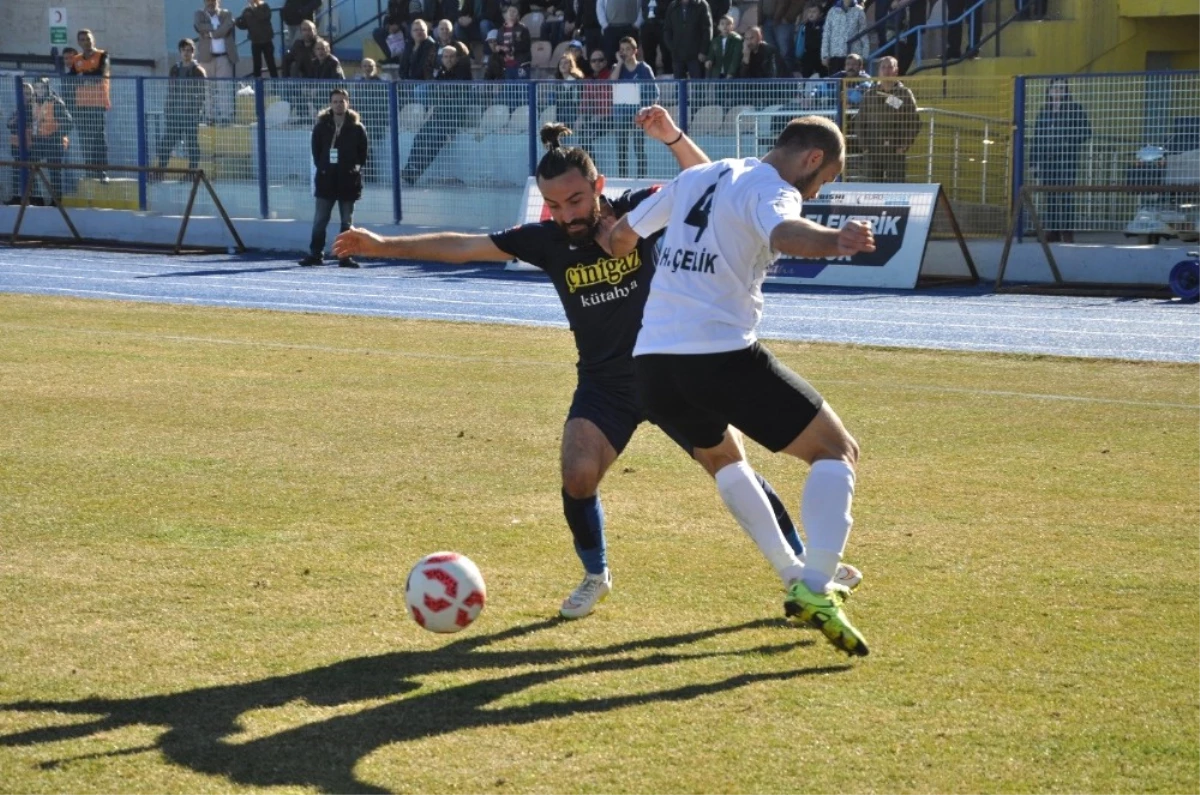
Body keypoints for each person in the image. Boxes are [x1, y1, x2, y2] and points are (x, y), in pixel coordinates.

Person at [332, 108, 860, 619]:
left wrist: (672, 142)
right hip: (611, 383)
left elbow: (709, 185)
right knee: (578, 473)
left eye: (576, 200)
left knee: (728, 464)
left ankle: (807, 567)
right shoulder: (546, 241)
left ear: (598, 185)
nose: (566, 214)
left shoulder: (635, 207)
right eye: (554, 205)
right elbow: (467, 246)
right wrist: (385, 245)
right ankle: (596, 574)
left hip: (674, 360)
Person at [595, 114, 875, 656]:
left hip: (652, 363)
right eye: (826, 179)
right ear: (812, 159)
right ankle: (817, 586)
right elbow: (786, 233)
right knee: (836, 450)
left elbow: (621, 239)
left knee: (726, 459)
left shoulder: (704, 174)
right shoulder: (772, 189)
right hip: (717, 354)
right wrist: (835, 239)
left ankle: (793, 574)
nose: (820, 190)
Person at [299, 87, 368, 268]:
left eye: (342, 101)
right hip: (326, 180)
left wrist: (354, 169)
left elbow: (363, 154)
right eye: (335, 101)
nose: (339, 104)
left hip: (348, 181)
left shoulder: (357, 127)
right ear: (330, 104)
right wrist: (324, 168)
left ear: (348, 103)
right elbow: (316, 152)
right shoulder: (321, 127)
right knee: (320, 220)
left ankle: (345, 256)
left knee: (347, 222)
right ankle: (315, 254)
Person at [1029, 77, 1091, 243]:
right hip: (1047, 160)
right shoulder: (1044, 112)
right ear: (1049, 91)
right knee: (1050, 195)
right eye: (1055, 88)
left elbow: (1086, 131)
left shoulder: (1075, 109)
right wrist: (1033, 163)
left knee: (1066, 196)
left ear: (1066, 91)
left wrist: (1068, 142)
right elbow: (1036, 138)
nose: (1058, 92)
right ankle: (1053, 230)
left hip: (1067, 159)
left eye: (1061, 89)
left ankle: (1067, 231)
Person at [400, 46, 472, 184]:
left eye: (451, 57)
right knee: (419, 137)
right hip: (439, 114)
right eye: (445, 57)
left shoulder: (462, 73)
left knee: (434, 141)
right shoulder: (441, 74)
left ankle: (413, 173)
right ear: (442, 59)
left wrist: (444, 95)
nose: (448, 59)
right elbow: (436, 94)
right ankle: (410, 170)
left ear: (456, 58)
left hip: (453, 116)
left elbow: (457, 96)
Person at [854, 55, 918, 183]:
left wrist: (903, 146)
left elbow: (914, 122)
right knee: (871, 188)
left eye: (890, 67)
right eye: (883, 67)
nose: (886, 70)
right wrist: (864, 146)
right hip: (872, 148)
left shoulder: (904, 93)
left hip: (895, 147)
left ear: (896, 70)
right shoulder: (870, 94)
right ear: (879, 71)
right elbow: (860, 122)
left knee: (895, 188)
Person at [156, 39, 208, 178]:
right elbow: (171, 91)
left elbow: (202, 94)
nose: (186, 53)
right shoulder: (175, 69)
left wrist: (196, 110)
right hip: (175, 114)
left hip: (190, 114)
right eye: (184, 50)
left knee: (191, 143)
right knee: (167, 143)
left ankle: (191, 173)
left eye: (189, 50)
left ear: (193, 52)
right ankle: (160, 171)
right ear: (180, 52)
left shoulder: (198, 71)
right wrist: (168, 109)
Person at [65, 29, 111, 183]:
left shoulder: (103, 55)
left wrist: (82, 76)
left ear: (93, 40)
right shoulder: (76, 60)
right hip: (82, 105)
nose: (86, 42)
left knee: (99, 138)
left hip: (98, 104)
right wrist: (85, 77)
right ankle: (89, 170)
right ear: (79, 42)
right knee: (85, 139)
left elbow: (100, 74)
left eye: (88, 38)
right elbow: (70, 80)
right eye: (83, 39)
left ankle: (102, 171)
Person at [609, 36, 657, 178]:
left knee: (639, 148)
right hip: (621, 115)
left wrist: (647, 111)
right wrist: (619, 63)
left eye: (628, 49)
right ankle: (622, 179)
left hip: (638, 116)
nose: (625, 52)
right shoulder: (617, 67)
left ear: (635, 51)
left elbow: (654, 92)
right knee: (621, 149)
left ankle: (641, 178)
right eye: (622, 50)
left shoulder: (644, 68)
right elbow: (612, 82)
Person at [29, 78, 73, 205]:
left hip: (54, 142)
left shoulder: (55, 102)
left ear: (47, 88)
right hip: (40, 140)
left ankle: (56, 201)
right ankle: (37, 199)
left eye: (41, 87)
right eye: (36, 87)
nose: (39, 90)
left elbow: (68, 123)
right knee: (31, 167)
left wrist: (55, 136)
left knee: (54, 172)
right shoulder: (35, 102)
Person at [194, 0, 239, 125]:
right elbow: (199, 26)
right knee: (208, 89)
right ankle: (210, 117)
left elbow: (225, 29)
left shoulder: (226, 14)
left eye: (213, 1)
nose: (210, 3)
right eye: (208, 1)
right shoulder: (199, 14)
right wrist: (218, 29)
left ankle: (226, 117)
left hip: (223, 57)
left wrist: (211, 33)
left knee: (224, 88)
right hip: (206, 58)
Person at [663, 0, 713, 80]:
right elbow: (667, 29)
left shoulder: (701, 4)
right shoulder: (673, 6)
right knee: (679, 86)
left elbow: (707, 30)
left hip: (696, 55)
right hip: (678, 55)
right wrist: (672, 48)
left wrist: (703, 51)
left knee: (697, 86)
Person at [820, 0, 865, 75]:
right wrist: (824, 55)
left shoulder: (859, 11)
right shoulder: (832, 11)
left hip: (854, 56)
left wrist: (864, 55)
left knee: (853, 84)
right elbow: (826, 34)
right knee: (836, 83)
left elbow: (863, 34)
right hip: (835, 55)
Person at [237, 0, 279, 78]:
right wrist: (237, 22)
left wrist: (255, 8)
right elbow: (244, 24)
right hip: (255, 41)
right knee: (257, 65)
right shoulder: (246, 10)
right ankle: (258, 86)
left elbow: (264, 17)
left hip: (267, 40)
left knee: (271, 63)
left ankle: (275, 85)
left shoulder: (265, 7)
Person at [496, 5, 533, 79]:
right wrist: (499, 48)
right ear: (505, 15)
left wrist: (511, 49)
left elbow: (526, 46)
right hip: (506, 67)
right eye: (510, 11)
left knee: (523, 89)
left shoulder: (523, 29)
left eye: (514, 11)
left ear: (518, 16)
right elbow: (499, 45)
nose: (511, 13)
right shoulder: (500, 31)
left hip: (521, 65)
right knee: (508, 90)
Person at [793, 1, 826, 78]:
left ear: (821, 14)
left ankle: (825, 89)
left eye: (814, 12)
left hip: (820, 54)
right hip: (808, 54)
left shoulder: (824, 25)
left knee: (823, 74)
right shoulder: (804, 26)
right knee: (806, 74)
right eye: (809, 12)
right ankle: (805, 89)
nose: (811, 14)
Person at [637, 0, 670, 75]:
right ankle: (650, 77)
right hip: (647, 25)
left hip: (662, 25)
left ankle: (669, 77)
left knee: (666, 54)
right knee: (648, 56)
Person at [703, 14, 741, 79]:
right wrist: (709, 61)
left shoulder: (737, 40)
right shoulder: (715, 41)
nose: (725, 26)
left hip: (730, 74)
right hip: (717, 74)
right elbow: (710, 55)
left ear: (733, 26)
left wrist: (731, 73)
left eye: (728, 24)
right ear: (718, 27)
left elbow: (736, 59)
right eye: (722, 24)